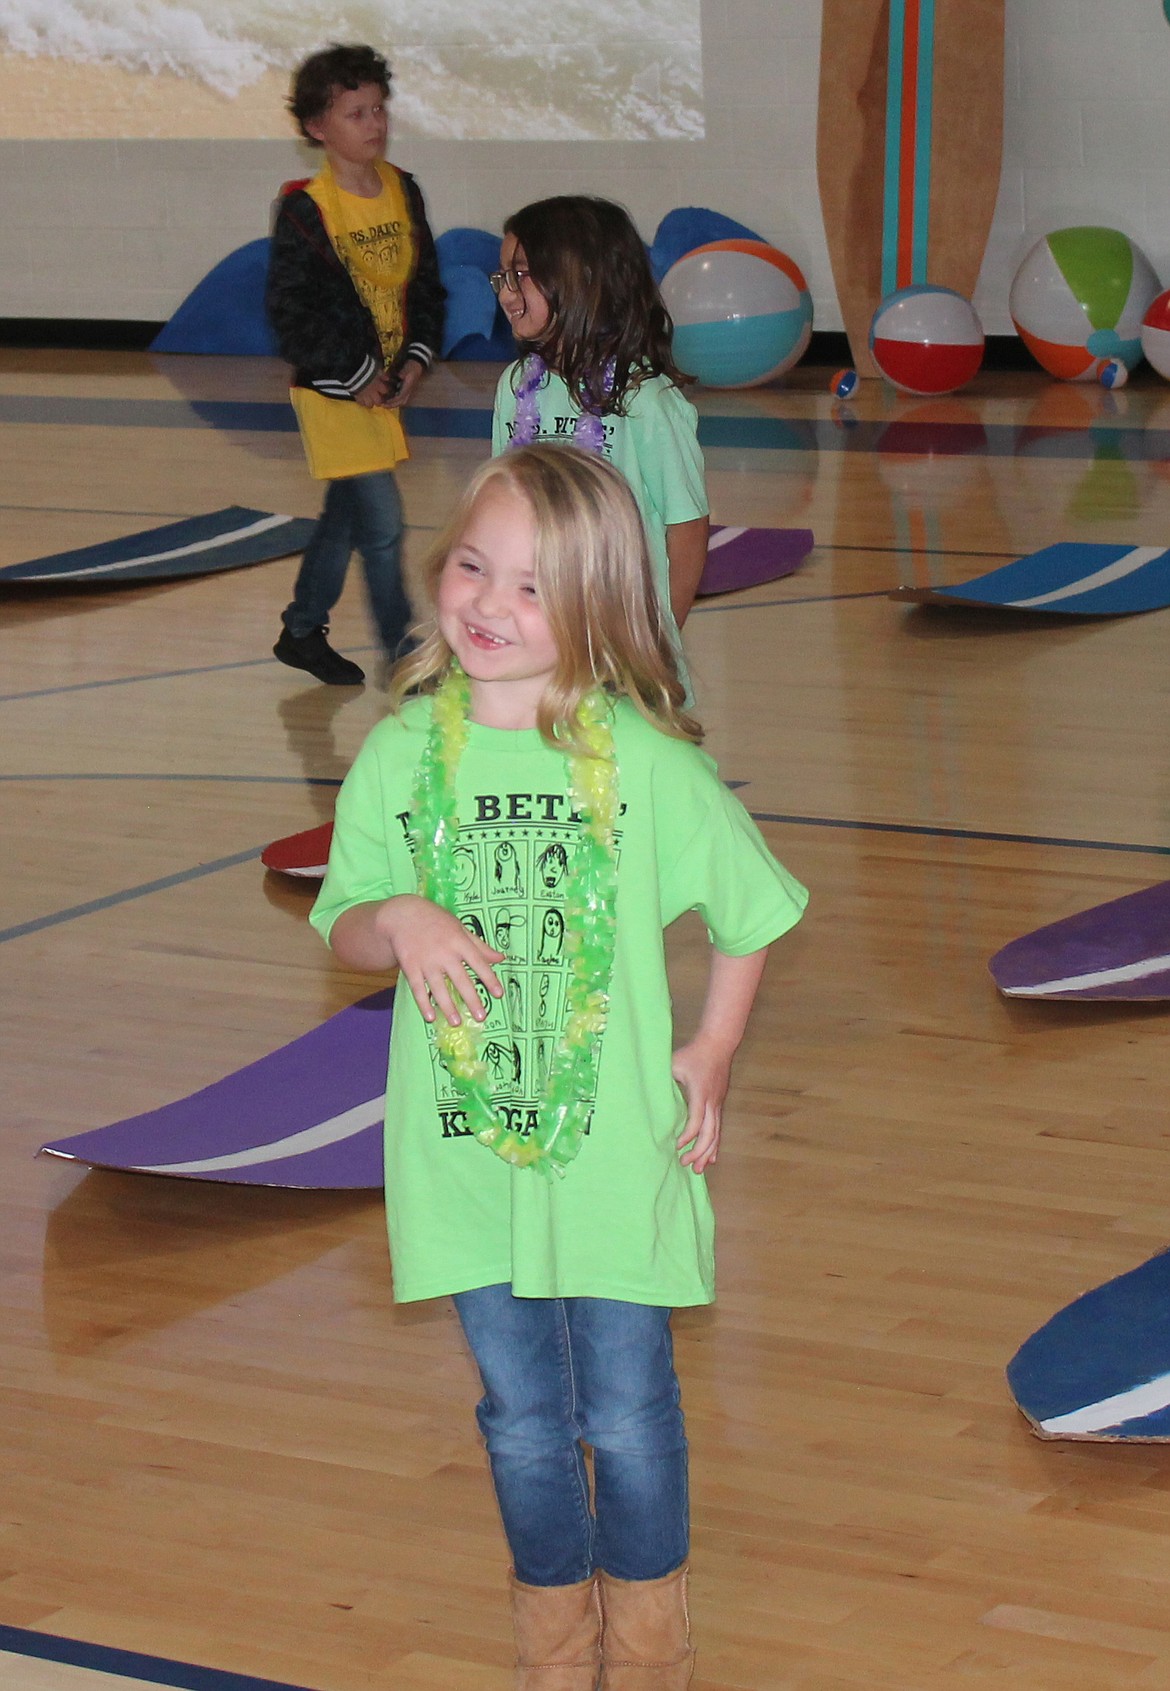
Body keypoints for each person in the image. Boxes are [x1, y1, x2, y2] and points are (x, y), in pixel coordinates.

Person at [309, 445, 807, 1688]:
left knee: (630, 1414)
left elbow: (754, 908)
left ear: (597, 610)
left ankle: (649, 1647)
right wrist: (403, 919)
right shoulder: (400, 757)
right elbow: (349, 922)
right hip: (465, 1155)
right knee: (524, 1421)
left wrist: (715, 1046)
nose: (489, 602)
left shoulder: (646, 764)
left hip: (613, 1151)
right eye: (474, 566)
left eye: (533, 586)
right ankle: (554, 1642)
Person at [266, 43, 445, 686]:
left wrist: (417, 359)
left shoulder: (405, 190)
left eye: (378, 109)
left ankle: (302, 631)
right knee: (384, 524)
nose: (374, 124)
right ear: (318, 127)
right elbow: (293, 315)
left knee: (345, 517)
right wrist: (356, 376)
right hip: (333, 392)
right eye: (355, 113)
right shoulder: (307, 208)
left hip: (386, 389)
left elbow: (425, 286)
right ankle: (403, 653)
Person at [490, 196, 709, 687]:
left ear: (583, 281)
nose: (506, 292)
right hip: (539, 642)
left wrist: (655, 640)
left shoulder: (646, 402)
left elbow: (688, 531)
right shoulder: (515, 386)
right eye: (502, 276)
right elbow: (501, 509)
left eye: (521, 273)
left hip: (623, 649)